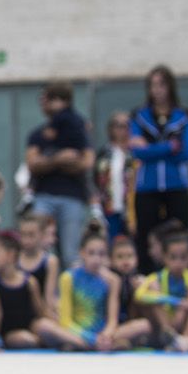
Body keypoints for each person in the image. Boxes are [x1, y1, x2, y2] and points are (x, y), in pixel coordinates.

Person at [129, 66, 188, 271]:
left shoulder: (184, 117)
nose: (157, 90)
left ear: (170, 87)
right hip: (147, 187)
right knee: (146, 238)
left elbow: (187, 153)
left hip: (177, 185)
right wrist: (169, 147)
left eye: (161, 85)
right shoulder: (139, 116)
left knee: (179, 235)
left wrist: (150, 148)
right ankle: (148, 279)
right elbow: (137, 153)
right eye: (152, 85)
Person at [40, 231, 151, 351]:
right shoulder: (68, 277)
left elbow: (112, 320)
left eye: (101, 254)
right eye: (91, 253)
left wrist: (106, 335)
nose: (96, 259)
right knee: (43, 325)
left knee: (144, 325)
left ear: (106, 256)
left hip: (102, 333)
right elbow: (66, 321)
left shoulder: (112, 280)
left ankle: (84, 345)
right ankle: (94, 346)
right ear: (82, 253)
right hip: (76, 331)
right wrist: (93, 339)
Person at [24, 81, 94, 267]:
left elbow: (87, 161)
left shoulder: (77, 126)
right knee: (37, 247)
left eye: (47, 99)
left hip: (72, 196)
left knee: (71, 253)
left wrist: (53, 162)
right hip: (43, 195)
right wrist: (59, 159)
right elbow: (32, 163)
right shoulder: (37, 135)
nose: (43, 104)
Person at [93, 112, 135, 241]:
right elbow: (95, 179)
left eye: (126, 125)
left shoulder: (136, 152)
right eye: (118, 125)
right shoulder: (104, 153)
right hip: (109, 207)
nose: (122, 130)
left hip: (132, 209)